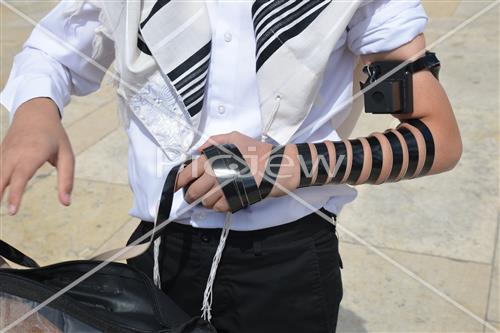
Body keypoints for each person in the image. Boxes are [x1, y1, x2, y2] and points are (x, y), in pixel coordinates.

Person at [0, 0, 462, 332]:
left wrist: (290, 166)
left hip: (287, 268)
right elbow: (53, 50)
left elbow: (437, 137)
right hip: (158, 251)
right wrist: (34, 110)